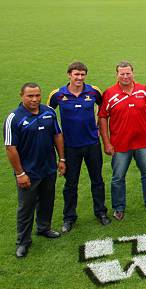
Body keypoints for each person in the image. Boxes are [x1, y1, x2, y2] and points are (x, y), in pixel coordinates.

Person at [4, 83, 66, 258]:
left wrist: (61, 159)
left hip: (48, 168)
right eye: (30, 96)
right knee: (26, 207)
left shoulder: (49, 112)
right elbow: (11, 148)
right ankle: (23, 242)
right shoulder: (14, 118)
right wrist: (20, 173)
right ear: (21, 96)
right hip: (28, 172)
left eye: (37, 95)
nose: (34, 99)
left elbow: (57, 135)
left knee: (47, 200)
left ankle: (43, 228)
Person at [48, 61, 110, 232]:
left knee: (97, 181)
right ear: (69, 74)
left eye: (82, 74)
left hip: (92, 145)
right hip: (70, 147)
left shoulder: (93, 91)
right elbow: (48, 114)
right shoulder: (58, 94)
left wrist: (98, 123)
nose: (79, 78)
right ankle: (69, 218)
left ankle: (101, 213)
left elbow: (103, 108)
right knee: (71, 184)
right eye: (76, 74)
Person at [98, 61, 146, 220]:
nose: (125, 76)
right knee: (118, 177)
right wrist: (107, 142)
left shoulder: (143, 90)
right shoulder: (110, 93)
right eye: (122, 73)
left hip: (143, 142)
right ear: (116, 75)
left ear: (133, 73)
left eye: (128, 73)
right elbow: (103, 118)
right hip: (120, 145)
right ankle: (119, 207)